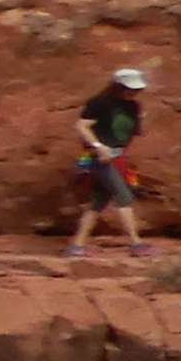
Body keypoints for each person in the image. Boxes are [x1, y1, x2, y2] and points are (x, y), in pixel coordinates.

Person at [70, 67, 150, 257]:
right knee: (124, 197)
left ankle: (76, 246)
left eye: (137, 90)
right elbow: (82, 126)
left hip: (118, 156)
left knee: (99, 201)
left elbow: (131, 132)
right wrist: (98, 146)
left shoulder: (133, 106)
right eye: (129, 89)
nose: (133, 93)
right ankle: (136, 244)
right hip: (101, 158)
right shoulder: (100, 103)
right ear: (117, 86)